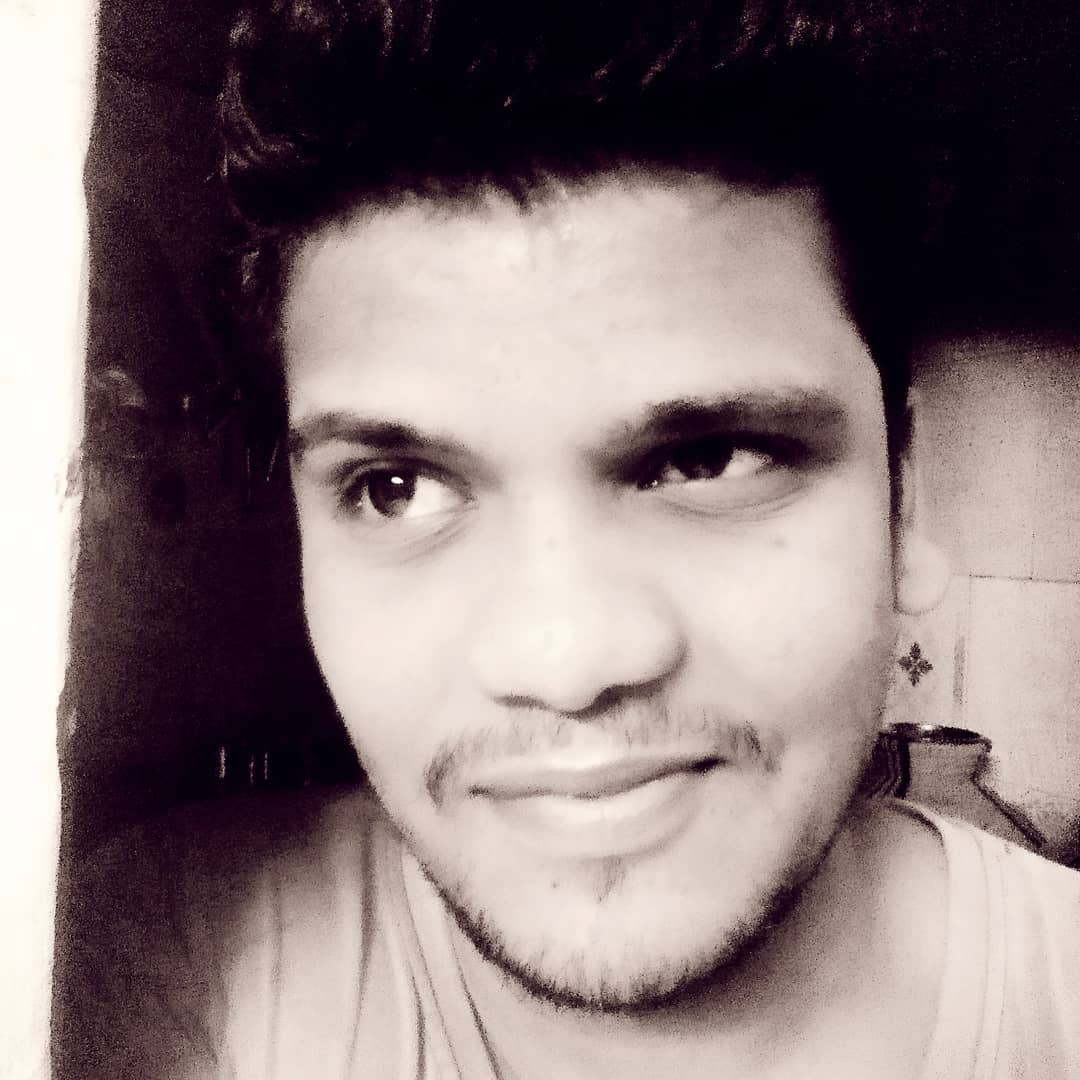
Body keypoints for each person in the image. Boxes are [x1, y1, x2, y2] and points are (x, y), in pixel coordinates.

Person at [54, 1, 1080, 1077]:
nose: (567, 663)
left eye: (708, 459)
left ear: (905, 498)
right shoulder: (146, 960)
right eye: (395, 488)